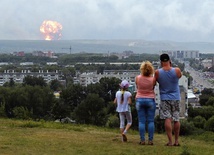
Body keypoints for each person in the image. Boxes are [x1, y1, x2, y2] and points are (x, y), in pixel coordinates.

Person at [155, 53, 182, 146]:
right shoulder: (177, 70)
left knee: (167, 118)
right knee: (176, 118)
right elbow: (179, 76)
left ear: (161, 62)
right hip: (176, 97)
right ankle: (177, 141)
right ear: (169, 60)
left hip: (164, 98)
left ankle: (170, 141)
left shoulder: (158, 72)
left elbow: (156, 81)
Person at [135, 61, 156, 145]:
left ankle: (142, 140)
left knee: (141, 121)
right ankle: (150, 140)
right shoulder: (153, 79)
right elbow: (153, 87)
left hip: (140, 99)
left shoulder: (138, 78)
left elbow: (137, 87)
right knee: (151, 121)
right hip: (150, 100)